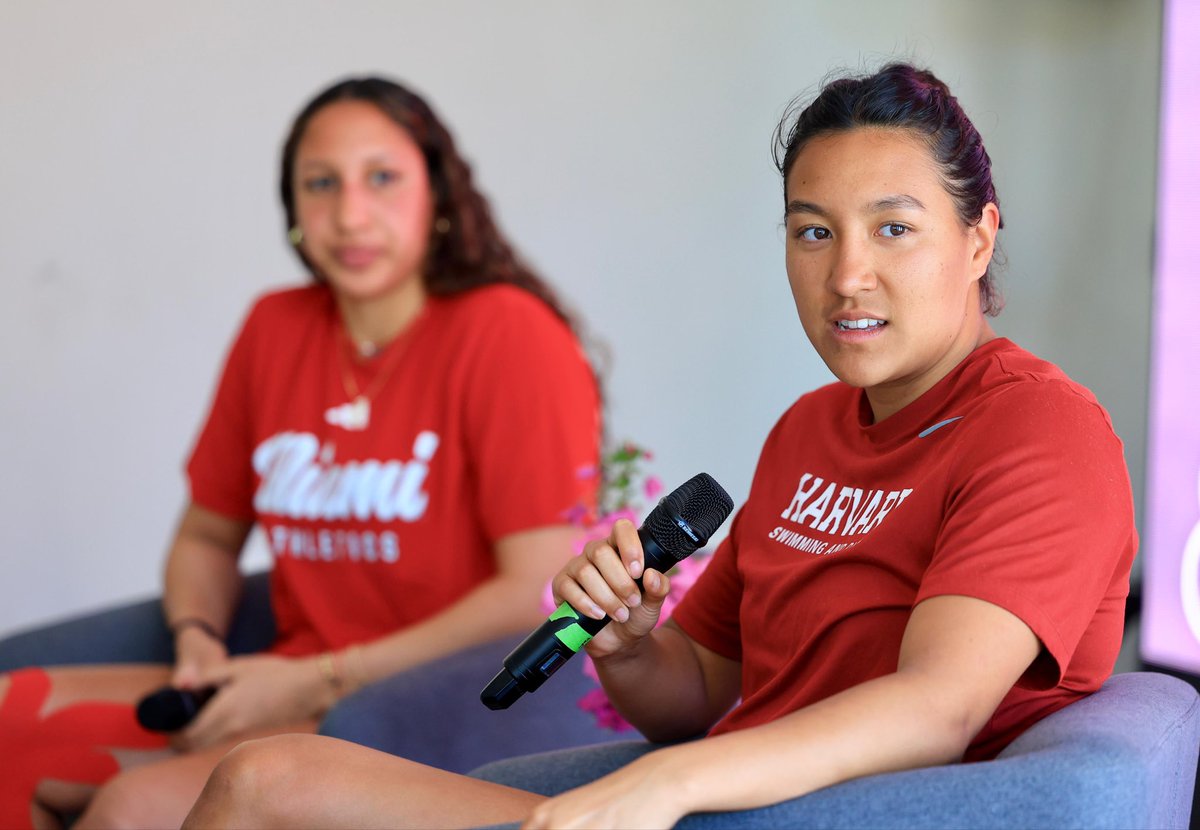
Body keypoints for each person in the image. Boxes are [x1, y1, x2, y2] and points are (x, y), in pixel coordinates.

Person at [182, 62, 1136, 830]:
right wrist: (632, 645)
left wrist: (673, 785)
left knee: (267, 786)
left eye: (894, 229)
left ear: (979, 238)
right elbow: (703, 689)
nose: (848, 274)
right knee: (261, 781)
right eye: (813, 233)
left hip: (810, 815)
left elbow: (940, 708)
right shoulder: (811, 430)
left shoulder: (1039, 430)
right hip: (713, 804)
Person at [0, 76, 603, 830]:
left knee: (129, 808)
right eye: (321, 184)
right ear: (293, 211)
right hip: (268, 682)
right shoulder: (275, 328)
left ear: (439, 196)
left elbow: (533, 589)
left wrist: (320, 680)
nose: (350, 215)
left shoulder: (511, 336)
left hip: (418, 710)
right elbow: (207, 534)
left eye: (382, 178)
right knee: (5, 728)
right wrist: (197, 638)